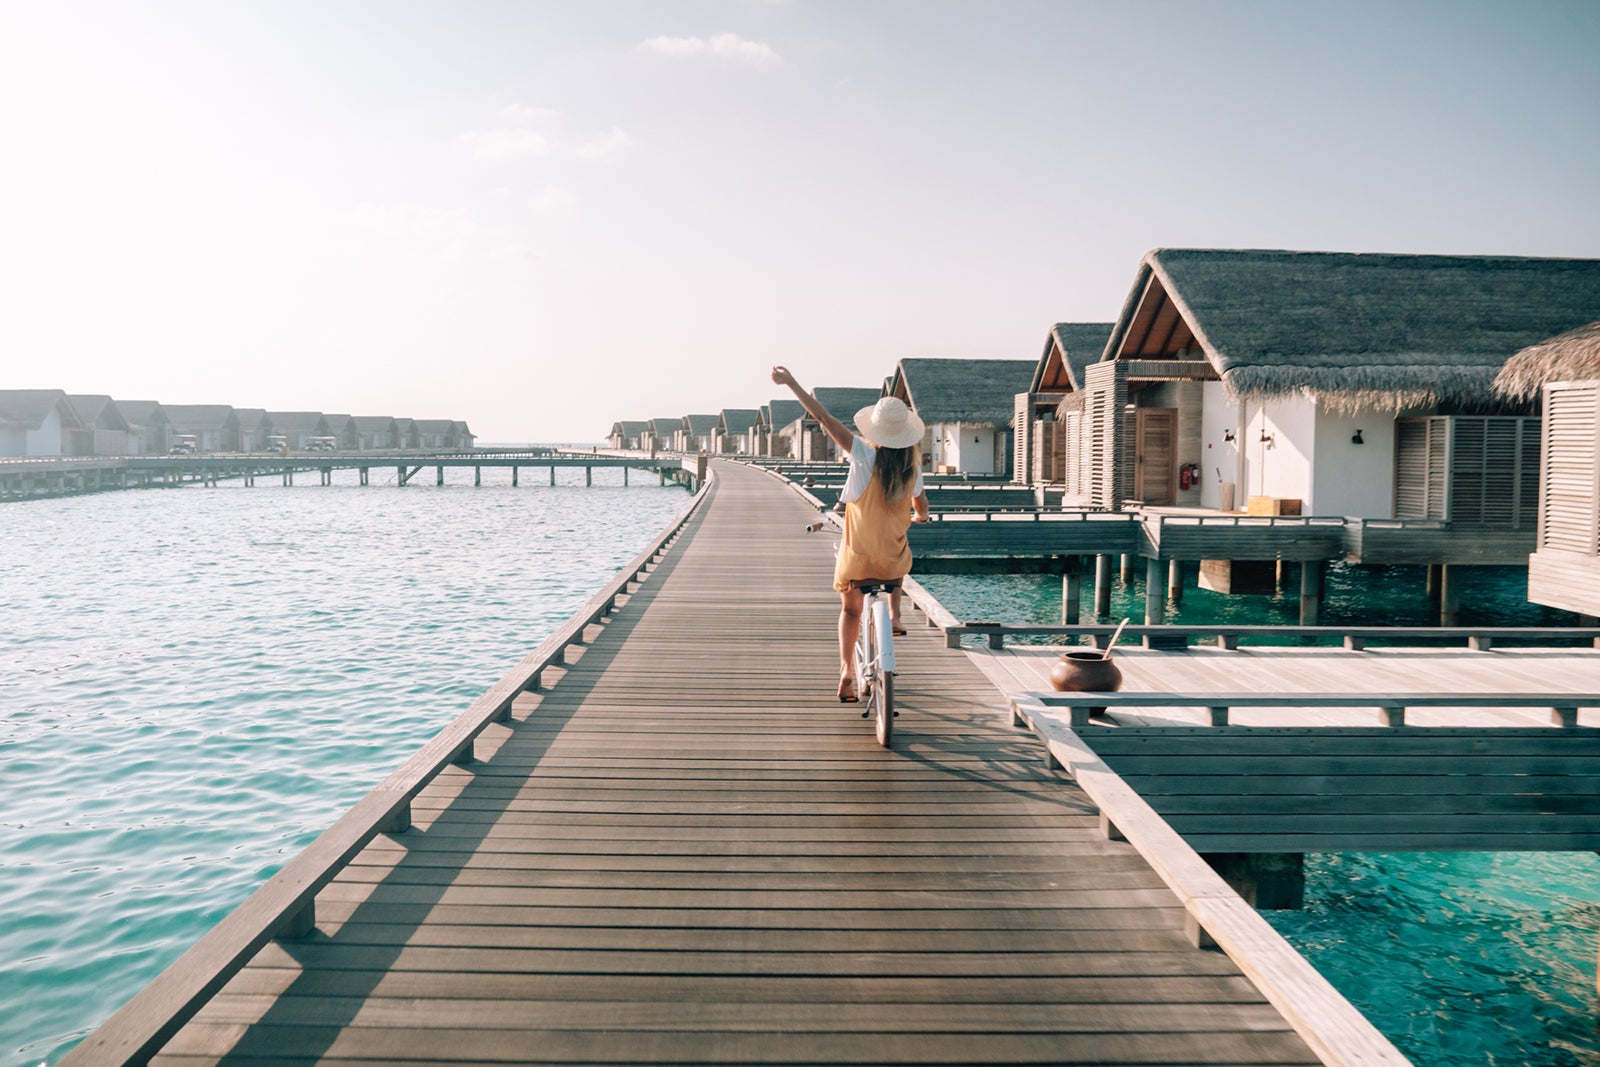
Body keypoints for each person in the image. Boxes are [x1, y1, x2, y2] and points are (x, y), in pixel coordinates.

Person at [771, 366, 930, 702]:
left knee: (851, 611)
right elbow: (922, 506)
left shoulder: (862, 453)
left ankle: (846, 670)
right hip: (891, 561)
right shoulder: (912, 467)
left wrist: (792, 382)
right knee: (899, 561)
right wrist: (920, 516)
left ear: (876, 428)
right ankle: (895, 614)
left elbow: (824, 418)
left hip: (857, 557)